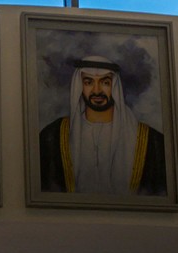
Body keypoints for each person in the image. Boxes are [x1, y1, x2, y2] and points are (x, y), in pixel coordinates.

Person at [39, 55, 166, 196]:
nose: (97, 91)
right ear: (80, 86)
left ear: (115, 86)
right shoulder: (52, 137)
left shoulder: (152, 142)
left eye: (105, 82)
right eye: (88, 82)